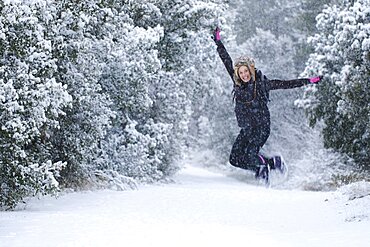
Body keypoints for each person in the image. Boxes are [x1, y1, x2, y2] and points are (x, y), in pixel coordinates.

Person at [212, 27, 321, 184]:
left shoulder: (262, 84)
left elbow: (286, 84)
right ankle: (271, 164)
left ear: (251, 70)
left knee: (251, 153)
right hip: (247, 128)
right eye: (241, 72)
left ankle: (263, 174)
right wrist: (218, 42)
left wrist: (308, 81)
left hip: (261, 126)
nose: (244, 75)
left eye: (246, 71)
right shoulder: (237, 83)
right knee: (234, 158)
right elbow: (226, 60)